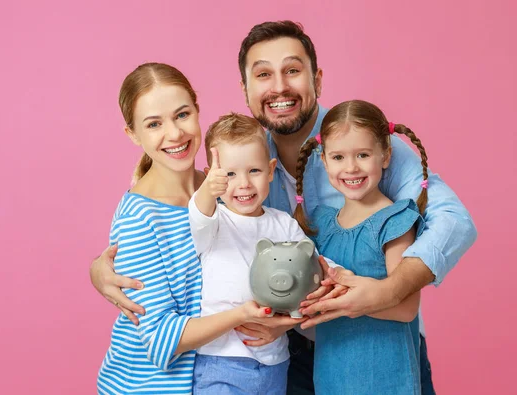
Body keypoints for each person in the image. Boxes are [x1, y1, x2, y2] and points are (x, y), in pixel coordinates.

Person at [91, 21, 477, 394]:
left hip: (373, 350)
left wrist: (389, 291)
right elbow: (176, 238)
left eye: (292, 70)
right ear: (244, 90)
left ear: (317, 79)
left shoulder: (359, 142)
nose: (279, 87)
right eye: (263, 75)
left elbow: (452, 220)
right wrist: (99, 269)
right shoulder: (238, 166)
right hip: (271, 357)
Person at [97, 62, 275, 395]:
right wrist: (241, 315)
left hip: (219, 379)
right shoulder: (140, 218)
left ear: (197, 109)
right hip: (150, 387)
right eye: (154, 124)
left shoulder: (223, 187)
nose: (175, 134)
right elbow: (161, 340)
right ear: (133, 134)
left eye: (182, 115)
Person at [190, 112, 334, 394]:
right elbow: (199, 213)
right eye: (230, 174)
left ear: (270, 170)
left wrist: (335, 271)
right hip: (220, 358)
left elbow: (311, 263)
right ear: (213, 178)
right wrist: (208, 191)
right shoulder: (213, 221)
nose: (243, 183)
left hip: (274, 359)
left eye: (253, 171)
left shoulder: (282, 222)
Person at [294, 99, 428, 393]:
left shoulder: (394, 221)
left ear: (385, 156)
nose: (351, 168)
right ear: (324, 159)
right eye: (339, 157)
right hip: (332, 377)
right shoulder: (322, 224)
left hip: (386, 378)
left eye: (363, 154)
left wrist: (344, 301)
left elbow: (407, 308)